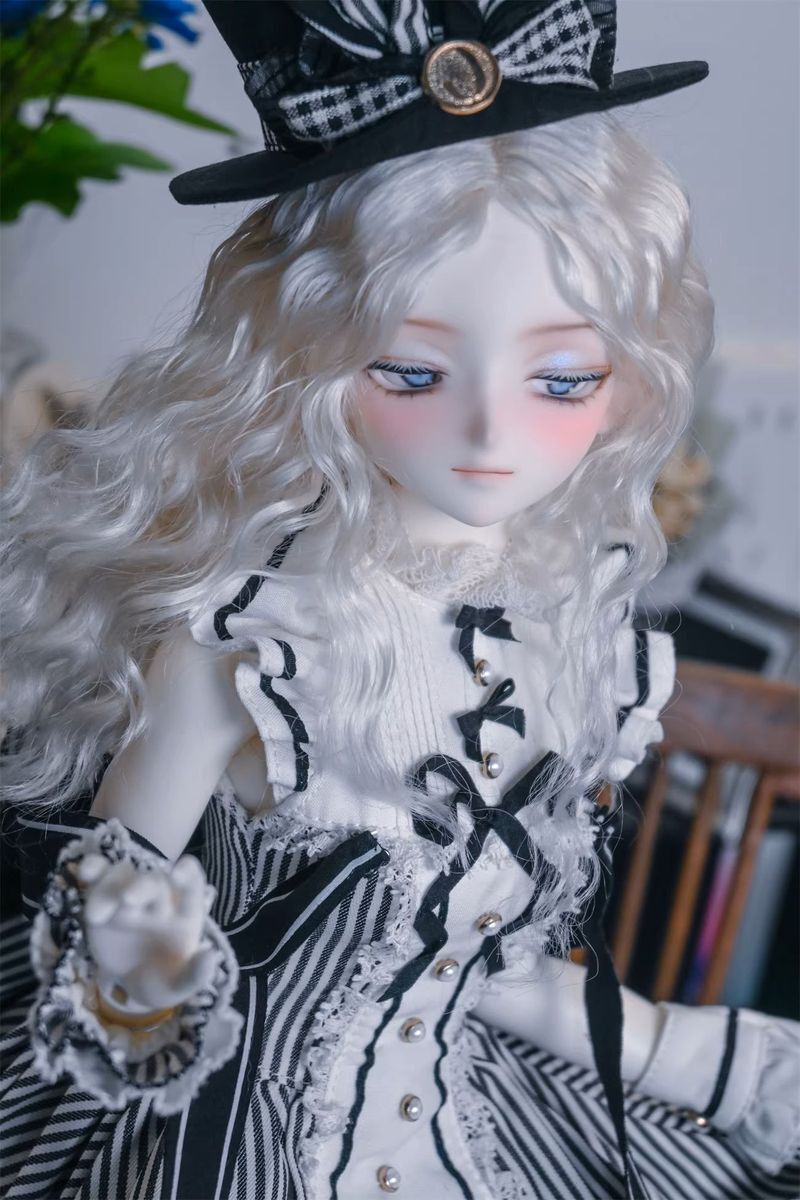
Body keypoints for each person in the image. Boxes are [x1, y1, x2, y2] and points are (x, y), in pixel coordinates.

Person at [2, 3, 798, 1198]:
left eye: (561, 379)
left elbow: (482, 963)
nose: (487, 432)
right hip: (230, 1128)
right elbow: (112, 894)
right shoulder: (250, 639)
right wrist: (153, 972)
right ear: (306, 360)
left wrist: (676, 1051)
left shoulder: (564, 631)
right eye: (411, 372)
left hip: (461, 1110)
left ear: (630, 384)